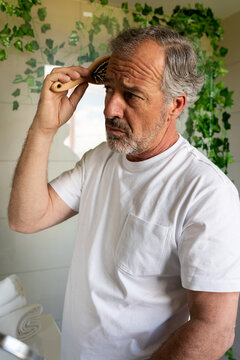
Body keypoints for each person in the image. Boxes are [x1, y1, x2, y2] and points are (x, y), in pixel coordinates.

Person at [8, 25, 240, 360]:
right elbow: (25, 218)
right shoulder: (100, 160)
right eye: (109, 90)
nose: (110, 109)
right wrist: (45, 129)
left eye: (131, 95)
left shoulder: (205, 192)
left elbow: (214, 330)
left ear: (175, 105)